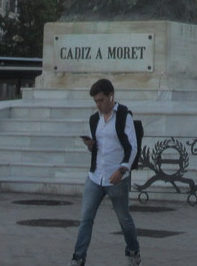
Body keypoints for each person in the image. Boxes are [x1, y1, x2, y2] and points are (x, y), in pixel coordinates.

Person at [69, 79, 141, 266]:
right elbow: (99, 146)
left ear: (111, 96)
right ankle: (78, 258)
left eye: (101, 100)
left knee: (124, 219)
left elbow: (132, 147)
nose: (98, 105)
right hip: (95, 176)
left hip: (116, 177)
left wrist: (123, 168)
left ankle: (133, 253)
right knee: (86, 218)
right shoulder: (95, 119)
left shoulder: (124, 116)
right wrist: (91, 145)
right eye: (96, 101)